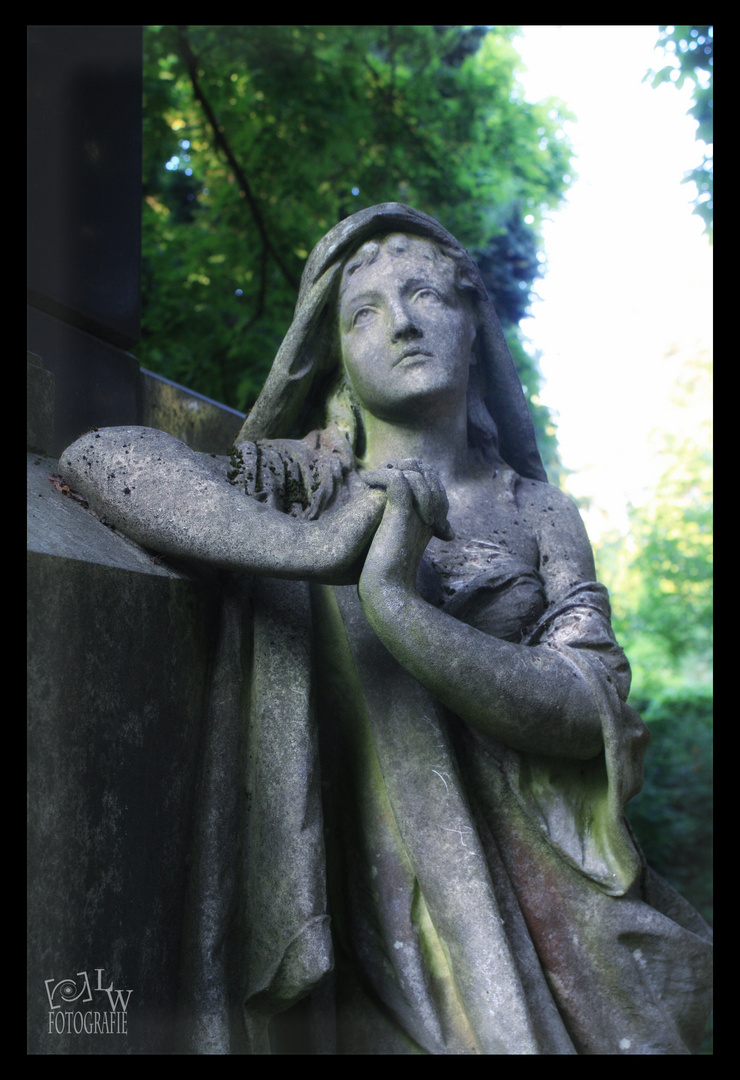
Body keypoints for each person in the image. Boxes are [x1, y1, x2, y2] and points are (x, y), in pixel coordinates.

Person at [60, 203, 712, 1055]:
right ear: (332, 350)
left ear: (473, 323)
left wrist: (399, 609)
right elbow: (100, 458)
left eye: (425, 296)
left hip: (553, 913)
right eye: (363, 312)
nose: (399, 322)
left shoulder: (537, 510)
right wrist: (319, 545)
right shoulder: (295, 480)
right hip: (364, 926)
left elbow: (587, 706)